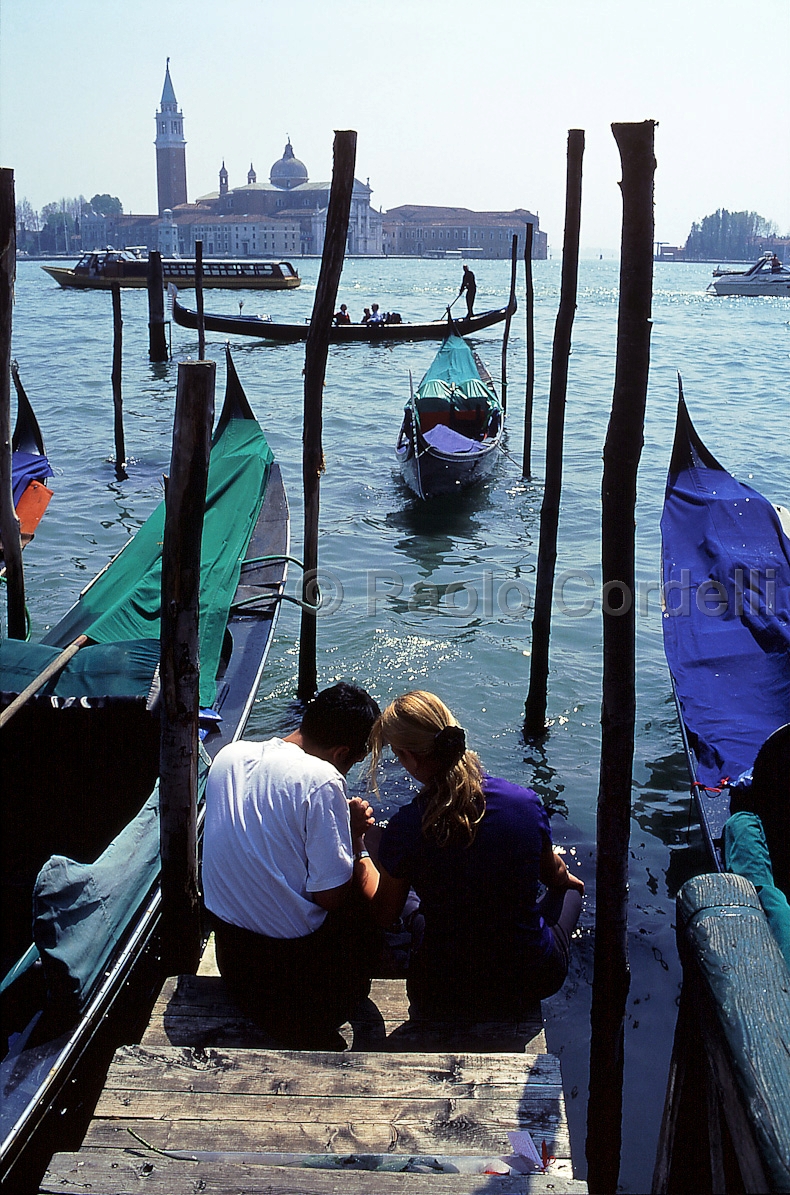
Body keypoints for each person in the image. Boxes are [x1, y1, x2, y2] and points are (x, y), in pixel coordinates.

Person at [363, 691, 584, 1021]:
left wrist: (361, 850)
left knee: (419, 905)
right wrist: (567, 882)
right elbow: (555, 876)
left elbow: (383, 916)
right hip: (529, 979)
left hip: (442, 990)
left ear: (409, 758)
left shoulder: (406, 827)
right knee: (570, 890)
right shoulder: (524, 803)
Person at [202, 683, 381, 1050]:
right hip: (296, 989)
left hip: (233, 962)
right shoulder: (323, 779)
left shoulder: (229, 756)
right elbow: (330, 897)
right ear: (343, 752)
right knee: (364, 891)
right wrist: (355, 840)